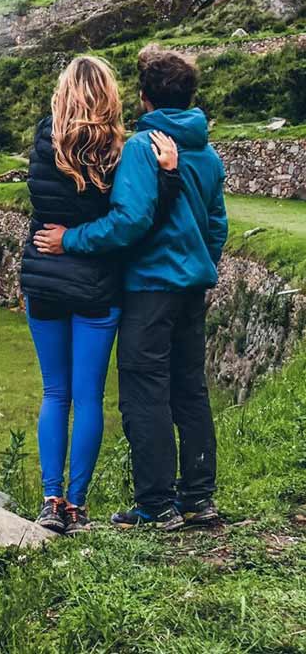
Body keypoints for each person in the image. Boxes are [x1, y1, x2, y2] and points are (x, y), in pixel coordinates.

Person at [35, 46, 228, 531]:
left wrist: (71, 239)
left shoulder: (143, 149)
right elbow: (216, 224)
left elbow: (129, 221)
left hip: (149, 287)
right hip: (192, 288)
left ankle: (157, 504)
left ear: (143, 98)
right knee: (191, 390)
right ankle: (200, 499)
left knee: (144, 394)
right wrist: (202, 264)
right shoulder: (206, 152)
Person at [21, 56, 180, 536]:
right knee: (89, 397)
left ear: (64, 92)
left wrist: (62, 235)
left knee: (55, 391)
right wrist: (167, 179)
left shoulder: (42, 141)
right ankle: (76, 504)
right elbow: (137, 217)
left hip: (45, 276)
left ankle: (50, 500)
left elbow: (43, 204)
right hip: (97, 286)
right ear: (109, 95)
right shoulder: (120, 151)